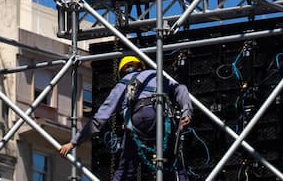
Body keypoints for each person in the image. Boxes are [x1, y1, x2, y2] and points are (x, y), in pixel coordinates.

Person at [59, 55, 192, 181]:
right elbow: (181, 89)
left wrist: (74, 142)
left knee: (125, 170)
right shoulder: (155, 75)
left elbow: (100, 117)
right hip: (161, 119)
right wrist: (186, 113)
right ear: (141, 66)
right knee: (172, 164)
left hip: (137, 122)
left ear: (122, 72)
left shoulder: (123, 84)